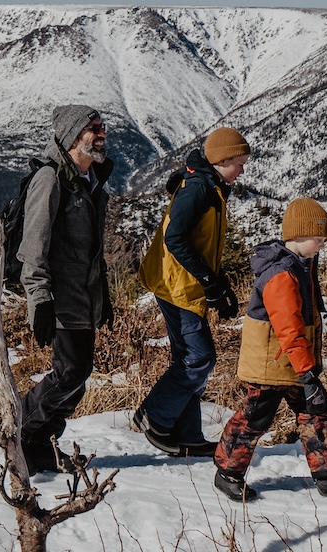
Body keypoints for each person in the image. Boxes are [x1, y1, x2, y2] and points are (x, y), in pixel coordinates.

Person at [212, 198, 327, 502]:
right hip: (272, 363)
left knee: (316, 413)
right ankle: (227, 472)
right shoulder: (281, 274)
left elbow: (307, 310)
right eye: (319, 239)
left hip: (291, 363)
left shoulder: (302, 265)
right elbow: (289, 330)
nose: (322, 245)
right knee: (255, 417)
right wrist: (308, 375)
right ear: (300, 235)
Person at [132, 127, 249, 457]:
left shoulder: (211, 185)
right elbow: (175, 238)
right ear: (222, 160)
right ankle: (154, 416)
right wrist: (210, 283)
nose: (242, 170)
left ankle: (187, 436)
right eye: (239, 162)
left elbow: (203, 244)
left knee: (194, 357)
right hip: (175, 287)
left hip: (185, 285)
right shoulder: (198, 187)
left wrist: (219, 284)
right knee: (198, 357)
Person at [17, 104, 116, 473]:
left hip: (84, 296)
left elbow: (92, 251)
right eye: (94, 127)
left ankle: (40, 440)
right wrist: (40, 299)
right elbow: (34, 245)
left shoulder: (91, 181)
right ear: (74, 135)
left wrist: (103, 295)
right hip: (59, 297)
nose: (101, 132)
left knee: (79, 374)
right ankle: (22, 434)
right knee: (70, 373)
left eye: (102, 126)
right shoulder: (50, 179)